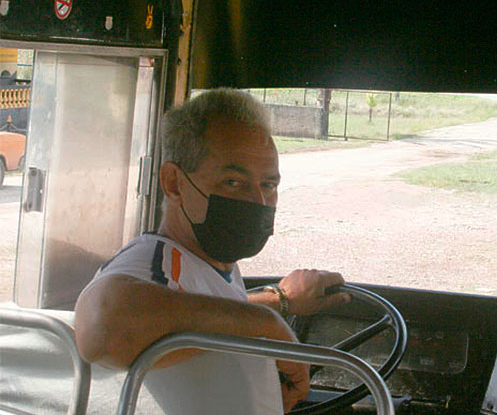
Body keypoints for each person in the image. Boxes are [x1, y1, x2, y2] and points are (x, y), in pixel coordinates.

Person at [74, 89, 350, 414]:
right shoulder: (153, 265)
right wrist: (268, 323)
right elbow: (104, 327)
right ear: (174, 183)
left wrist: (280, 301)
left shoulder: (203, 264)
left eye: (269, 185)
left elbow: (197, 308)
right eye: (233, 182)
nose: (258, 203)